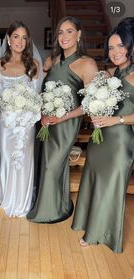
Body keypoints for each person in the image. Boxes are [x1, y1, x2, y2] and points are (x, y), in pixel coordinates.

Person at [27, 16, 98, 223]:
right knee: (45, 161)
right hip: (48, 122)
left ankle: (51, 211)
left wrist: (63, 116)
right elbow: (43, 90)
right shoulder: (53, 61)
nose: (64, 36)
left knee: (53, 164)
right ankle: (58, 203)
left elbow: (89, 104)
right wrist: (42, 113)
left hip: (67, 123)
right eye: (60, 32)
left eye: (69, 31)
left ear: (79, 34)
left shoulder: (87, 64)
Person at [71, 22, 134, 253]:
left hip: (120, 141)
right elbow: (94, 103)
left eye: (120, 46)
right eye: (110, 48)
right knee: (94, 180)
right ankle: (89, 223)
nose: (115, 52)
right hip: (100, 139)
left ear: (130, 47)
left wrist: (115, 120)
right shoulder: (108, 74)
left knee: (111, 187)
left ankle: (99, 233)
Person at [0, 20, 40, 217]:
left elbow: (35, 97)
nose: (20, 41)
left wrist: (25, 114)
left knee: (25, 159)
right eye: (16, 36)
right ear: (8, 40)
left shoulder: (33, 65)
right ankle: (8, 198)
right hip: (6, 122)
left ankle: (24, 201)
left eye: (24, 37)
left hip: (26, 123)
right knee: (7, 158)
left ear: (28, 42)